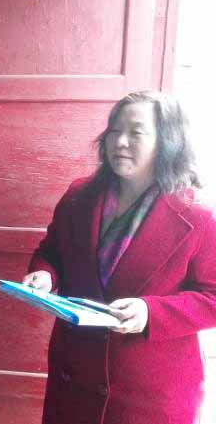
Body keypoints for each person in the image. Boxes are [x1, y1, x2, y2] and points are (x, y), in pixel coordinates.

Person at [23, 91, 216, 424]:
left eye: (136, 132)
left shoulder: (198, 215)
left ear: (168, 141)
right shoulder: (79, 196)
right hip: (74, 376)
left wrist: (151, 312)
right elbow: (51, 252)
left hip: (148, 394)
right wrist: (45, 275)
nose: (120, 141)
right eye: (114, 130)